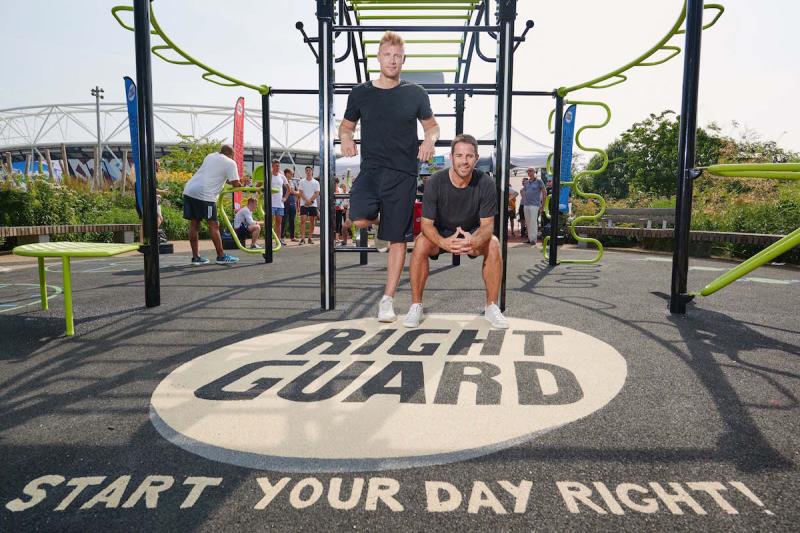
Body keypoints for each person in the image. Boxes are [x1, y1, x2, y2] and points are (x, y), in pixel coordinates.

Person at [338, 30, 440, 322]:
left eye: (397, 56)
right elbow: (346, 126)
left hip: (402, 174)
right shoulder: (360, 93)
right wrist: (346, 137)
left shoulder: (415, 93)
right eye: (387, 55)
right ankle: (390, 223)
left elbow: (432, 126)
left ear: (403, 60)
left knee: (397, 240)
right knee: (357, 218)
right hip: (371, 170)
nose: (392, 60)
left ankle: (387, 300)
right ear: (378, 58)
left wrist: (429, 140)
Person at [403, 134, 509, 329]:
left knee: (493, 243)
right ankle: (416, 305)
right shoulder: (435, 181)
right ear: (451, 158)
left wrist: (474, 241)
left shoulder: (485, 183)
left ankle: (492, 307)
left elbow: (487, 226)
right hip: (441, 233)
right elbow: (426, 224)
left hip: (472, 233)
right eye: (459, 156)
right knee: (420, 243)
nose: (464, 161)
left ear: (476, 158)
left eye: (469, 156)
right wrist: (443, 242)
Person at [182, 145, 246, 265]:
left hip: (190, 190)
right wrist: (243, 183)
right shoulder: (230, 163)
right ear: (231, 155)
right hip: (205, 194)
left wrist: (234, 180)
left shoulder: (210, 156)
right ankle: (221, 256)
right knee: (213, 224)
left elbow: (218, 175)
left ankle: (196, 257)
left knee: (194, 223)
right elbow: (235, 184)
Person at [520, 167, 546, 245]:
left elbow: (544, 192)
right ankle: (530, 238)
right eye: (528, 171)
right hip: (526, 204)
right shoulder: (526, 182)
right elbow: (523, 191)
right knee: (528, 222)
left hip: (535, 205)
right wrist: (524, 198)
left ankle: (533, 240)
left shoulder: (539, 181)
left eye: (530, 171)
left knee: (533, 222)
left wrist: (543, 205)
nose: (529, 172)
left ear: (534, 172)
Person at [269, 159, 289, 247]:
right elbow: (259, 185)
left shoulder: (282, 176)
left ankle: (279, 240)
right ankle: (269, 240)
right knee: (270, 222)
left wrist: (285, 197)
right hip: (270, 203)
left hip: (280, 204)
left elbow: (289, 189)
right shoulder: (268, 175)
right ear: (272, 166)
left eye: (278, 166)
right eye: (276, 166)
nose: (277, 167)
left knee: (279, 222)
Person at [298, 165, 320, 244]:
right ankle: (303, 238)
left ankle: (310, 238)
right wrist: (306, 201)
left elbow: (317, 193)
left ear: (312, 171)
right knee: (303, 220)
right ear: (305, 171)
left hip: (312, 204)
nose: (308, 172)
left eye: (309, 170)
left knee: (312, 221)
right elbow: (300, 192)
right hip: (303, 204)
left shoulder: (316, 182)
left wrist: (310, 201)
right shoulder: (302, 181)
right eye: (306, 170)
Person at [282, 168, 299, 242]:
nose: (292, 175)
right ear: (286, 174)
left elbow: (298, 192)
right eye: (291, 173)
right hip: (285, 203)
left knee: (292, 221)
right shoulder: (283, 182)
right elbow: (291, 191)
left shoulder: (293, 182)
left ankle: (292, 237)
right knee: (284, 221)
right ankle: (281, 237)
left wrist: (293, 192)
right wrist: (293, 192)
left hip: (293, 203)